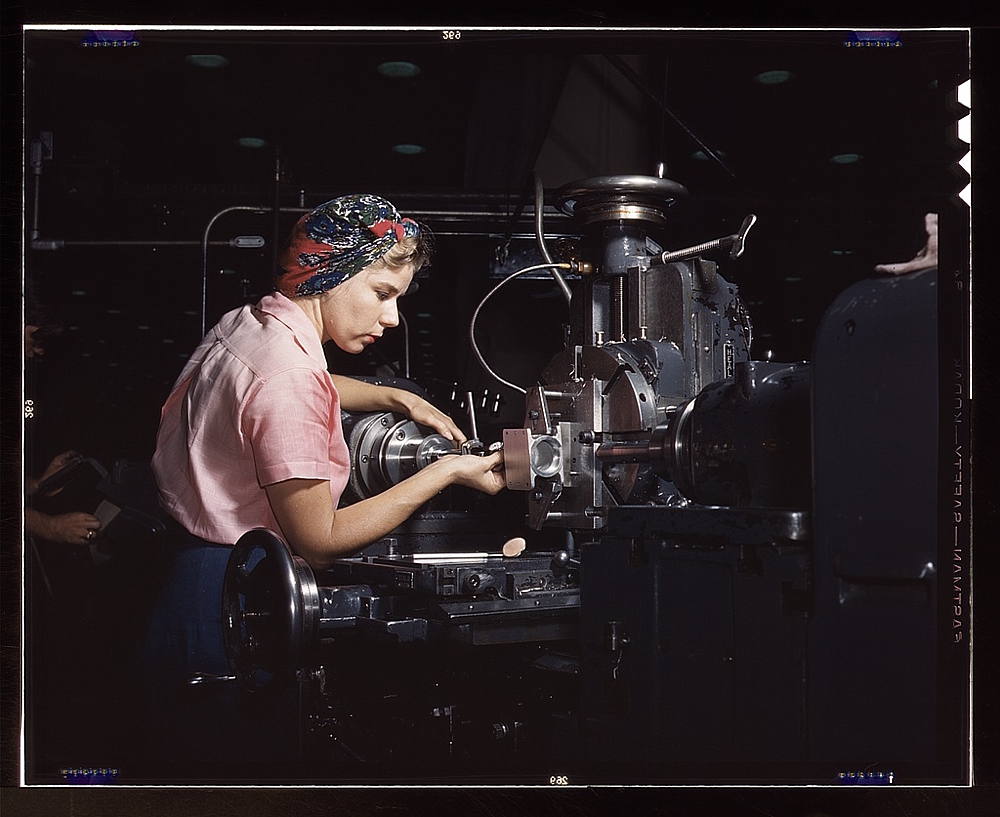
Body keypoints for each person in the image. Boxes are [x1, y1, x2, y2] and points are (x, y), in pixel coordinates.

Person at [138, 193, 505, 772]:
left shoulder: (252, 323)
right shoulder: (289, 379)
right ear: (330, 276)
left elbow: (291, 377)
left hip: (188, 583)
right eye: (382, 294)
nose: (392, 317)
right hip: (236, 600)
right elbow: (321, 538)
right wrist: (446, 471)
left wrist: (394, 395)